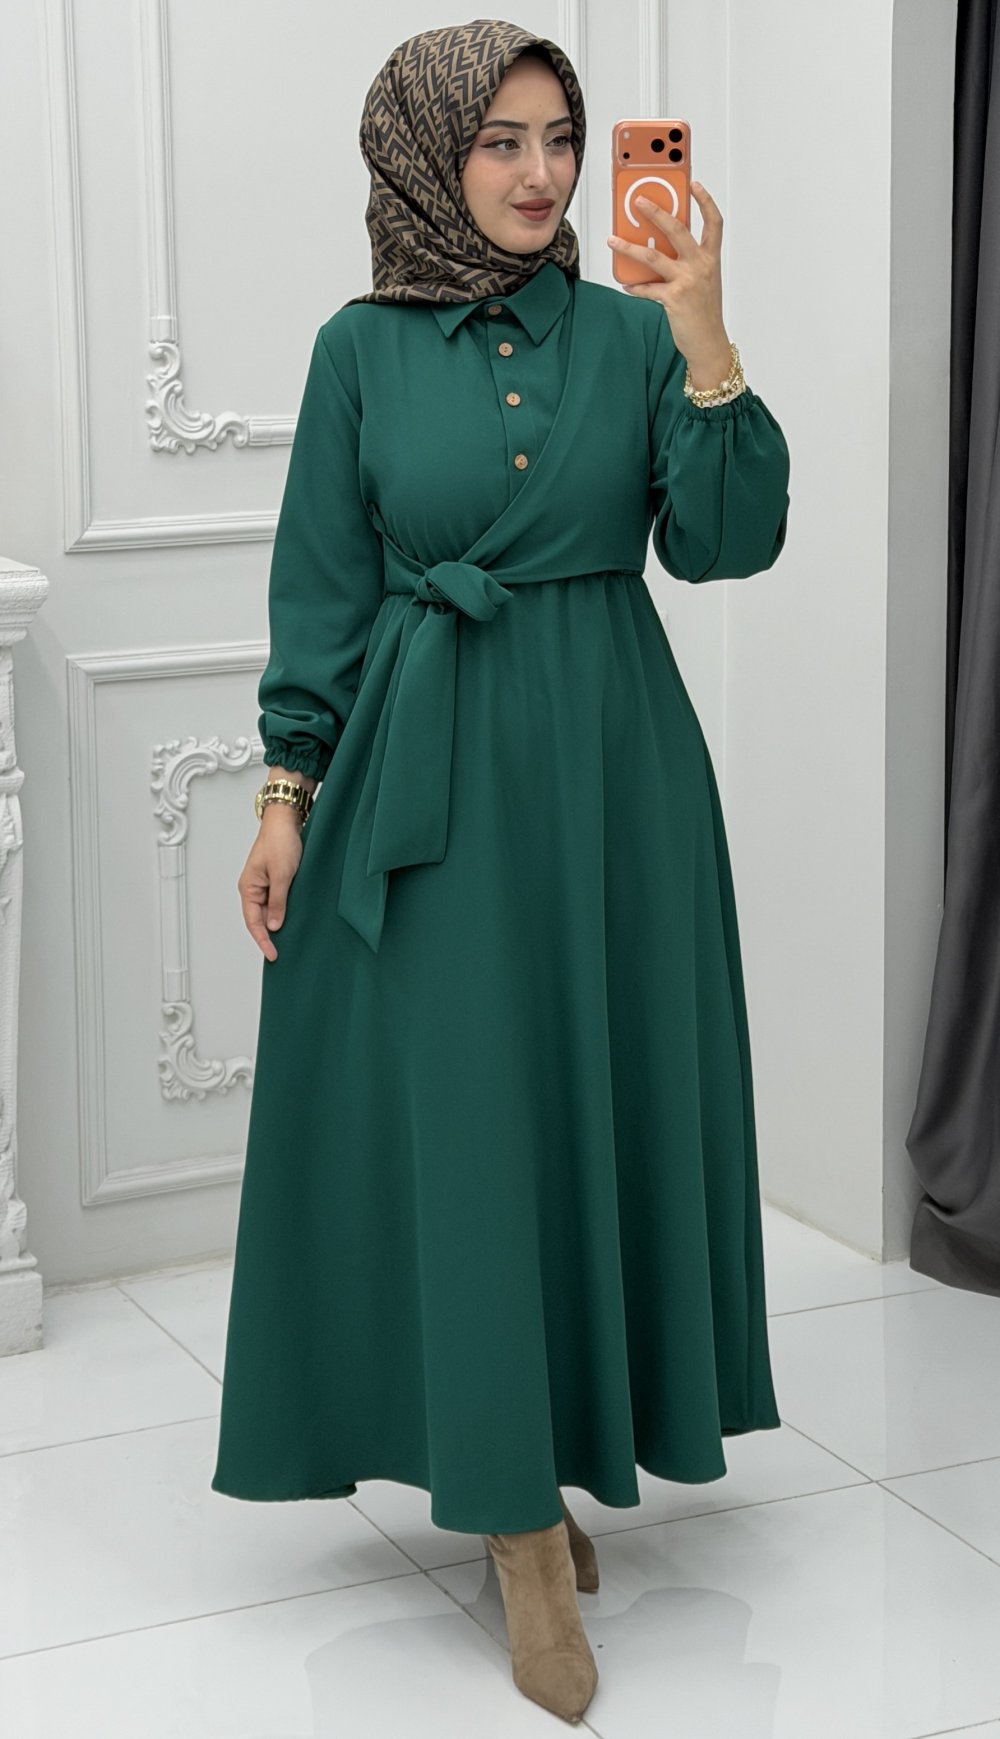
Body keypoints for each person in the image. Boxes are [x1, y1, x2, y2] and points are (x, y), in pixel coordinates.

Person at [211, 18, 790, 1726]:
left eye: (561, 138)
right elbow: (322, 581)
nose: (541, 175)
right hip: (432, 771)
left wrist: (704, 336)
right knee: (468, 1131)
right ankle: (517, 1523)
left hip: (615, 777)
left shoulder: (635, 332)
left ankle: (548, 1453)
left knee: (581, 1109)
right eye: (501, 142)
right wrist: (284, 793)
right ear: (427, 155)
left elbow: (729, 542)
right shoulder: (357, 350)